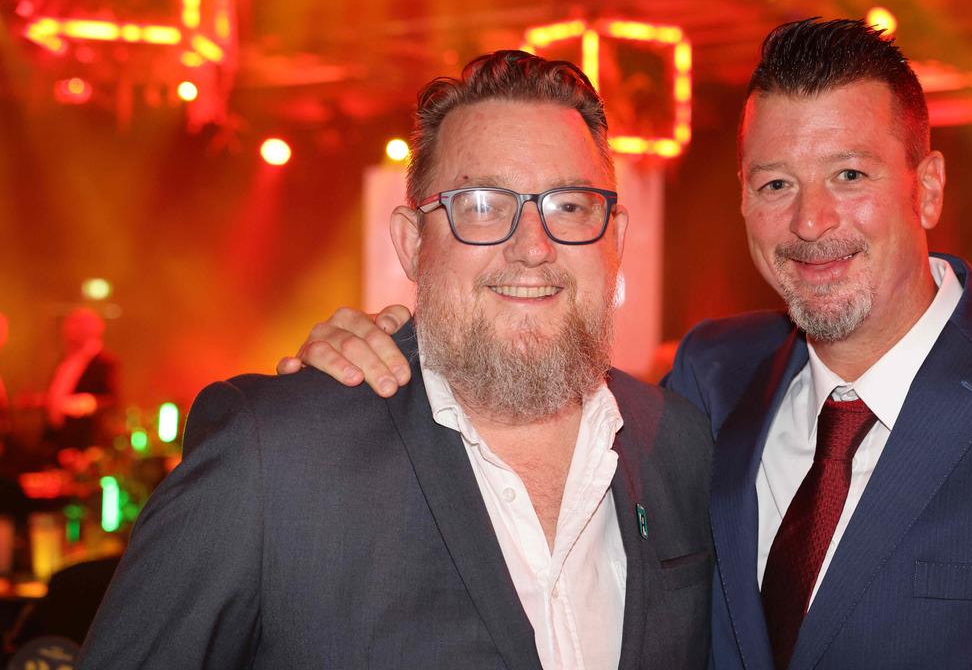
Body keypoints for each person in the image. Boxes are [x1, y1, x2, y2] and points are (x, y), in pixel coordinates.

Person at [284, 19, 972, 668]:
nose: (808, 223)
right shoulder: (710, 378)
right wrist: (392, 350)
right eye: (773, 184)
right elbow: (521, 384)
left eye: (847, 174)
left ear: (923, 188)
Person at [81, 50, 713, 669]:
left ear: (616, 240)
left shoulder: (680, 443)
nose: (533, 248)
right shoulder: (273, 458)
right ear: (412, 245)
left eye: (568, 206)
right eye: (482, 207)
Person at [44, 307, 118, 450]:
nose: (67, 330)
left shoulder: (104, 363)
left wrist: (87, 403)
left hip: (85, 441)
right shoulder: (66, 359)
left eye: (75, 325)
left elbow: (112, 400)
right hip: (58, 439)